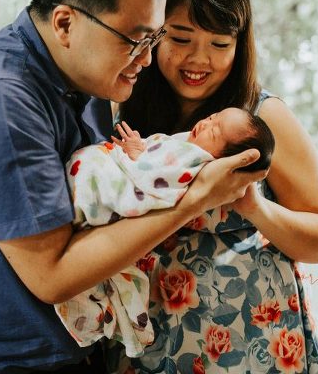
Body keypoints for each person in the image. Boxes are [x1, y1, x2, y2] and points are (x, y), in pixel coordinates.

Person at [0, 0, 267, 374]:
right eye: (135, 39)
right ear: (65, 22)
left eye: (154, 39)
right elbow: (52, 275)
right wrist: (194, 198)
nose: (145, 59)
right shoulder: (0, 99)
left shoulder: (89, 76)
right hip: (5, 364)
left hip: (75, 347)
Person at [107, 0, 318, 374]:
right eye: (180, 39)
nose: (199, 60)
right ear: (154, 34)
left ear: (240, 44)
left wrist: (255, 207)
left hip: (253, 343)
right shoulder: (126, 112)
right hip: (152, 343)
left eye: (220, 44)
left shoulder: (261, 117)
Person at [56, 109, 274, 357]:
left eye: (215, 131)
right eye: (213, 117)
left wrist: (138, 157)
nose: (206, 124)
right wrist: (140, 149)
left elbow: (156, 180)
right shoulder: (182, 144)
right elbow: (156, 161)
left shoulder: (197, 162)